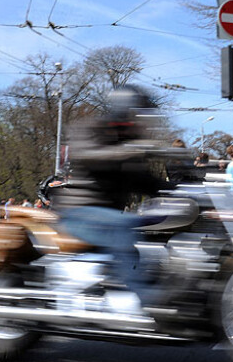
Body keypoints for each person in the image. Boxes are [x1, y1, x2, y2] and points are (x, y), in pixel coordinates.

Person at [53, 85, 168, 307]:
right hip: (79, 213)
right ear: (125, 110)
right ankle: (147, 299)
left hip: (107, 215)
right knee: (124, 225)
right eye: (139, 112)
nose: (144, 120)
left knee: (154, 225)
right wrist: (133, 149)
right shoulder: (91, 128)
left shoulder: (128, 140)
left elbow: (143, 180)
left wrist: (181, 189)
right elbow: (88, 156)